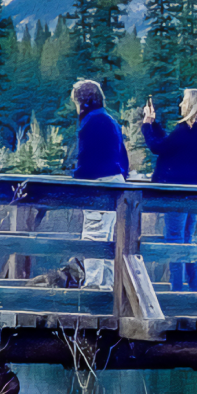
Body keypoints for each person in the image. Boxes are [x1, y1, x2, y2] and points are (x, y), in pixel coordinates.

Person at [142, 88, 197, 292]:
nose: (180, 105)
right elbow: (169, 145)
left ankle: (177, 293)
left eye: (184, 101)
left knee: (174, 241)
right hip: (193, 190)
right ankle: (196, 291)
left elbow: (158, 148)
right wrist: (155, 124)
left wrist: (146, 125)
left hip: (175, 191)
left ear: (193, 105)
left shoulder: (187, 128)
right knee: (188, 239)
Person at [70, 79, 129, 290]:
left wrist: (78, 180)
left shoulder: (91, 122)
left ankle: (94, 285)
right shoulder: (109, 119)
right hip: (114, 179)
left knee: (94, 234)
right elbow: (122, 154)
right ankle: (109, 284)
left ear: (81, 100)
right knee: (109, 236)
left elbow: (87, 157)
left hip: (99, 182)